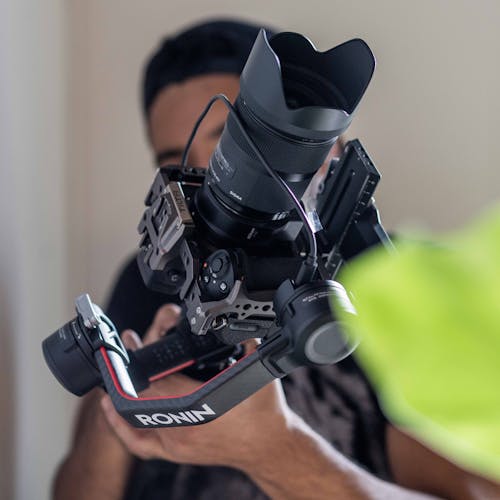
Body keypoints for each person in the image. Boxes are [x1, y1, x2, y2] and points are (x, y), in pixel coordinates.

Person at [53, 19, 491, 500]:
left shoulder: (393, 288)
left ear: (326, 149)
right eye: (176, 160)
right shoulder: (153, 278)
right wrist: (126, 391)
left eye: (228, 143)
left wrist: (271, 449)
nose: (209, 176)